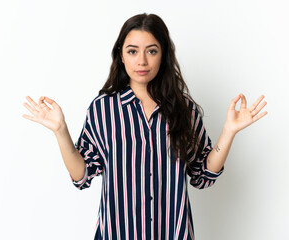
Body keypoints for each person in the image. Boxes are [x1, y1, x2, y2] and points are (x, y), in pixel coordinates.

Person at [23, 13, 267, 240]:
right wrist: (60, 131)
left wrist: (229, 131)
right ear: (121, 55)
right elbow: (82, 175)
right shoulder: (103, 109)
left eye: (151, 51)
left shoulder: (185, 110)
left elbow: (203, 175)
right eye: (132, 51)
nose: (141, 60)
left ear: (164, 54)